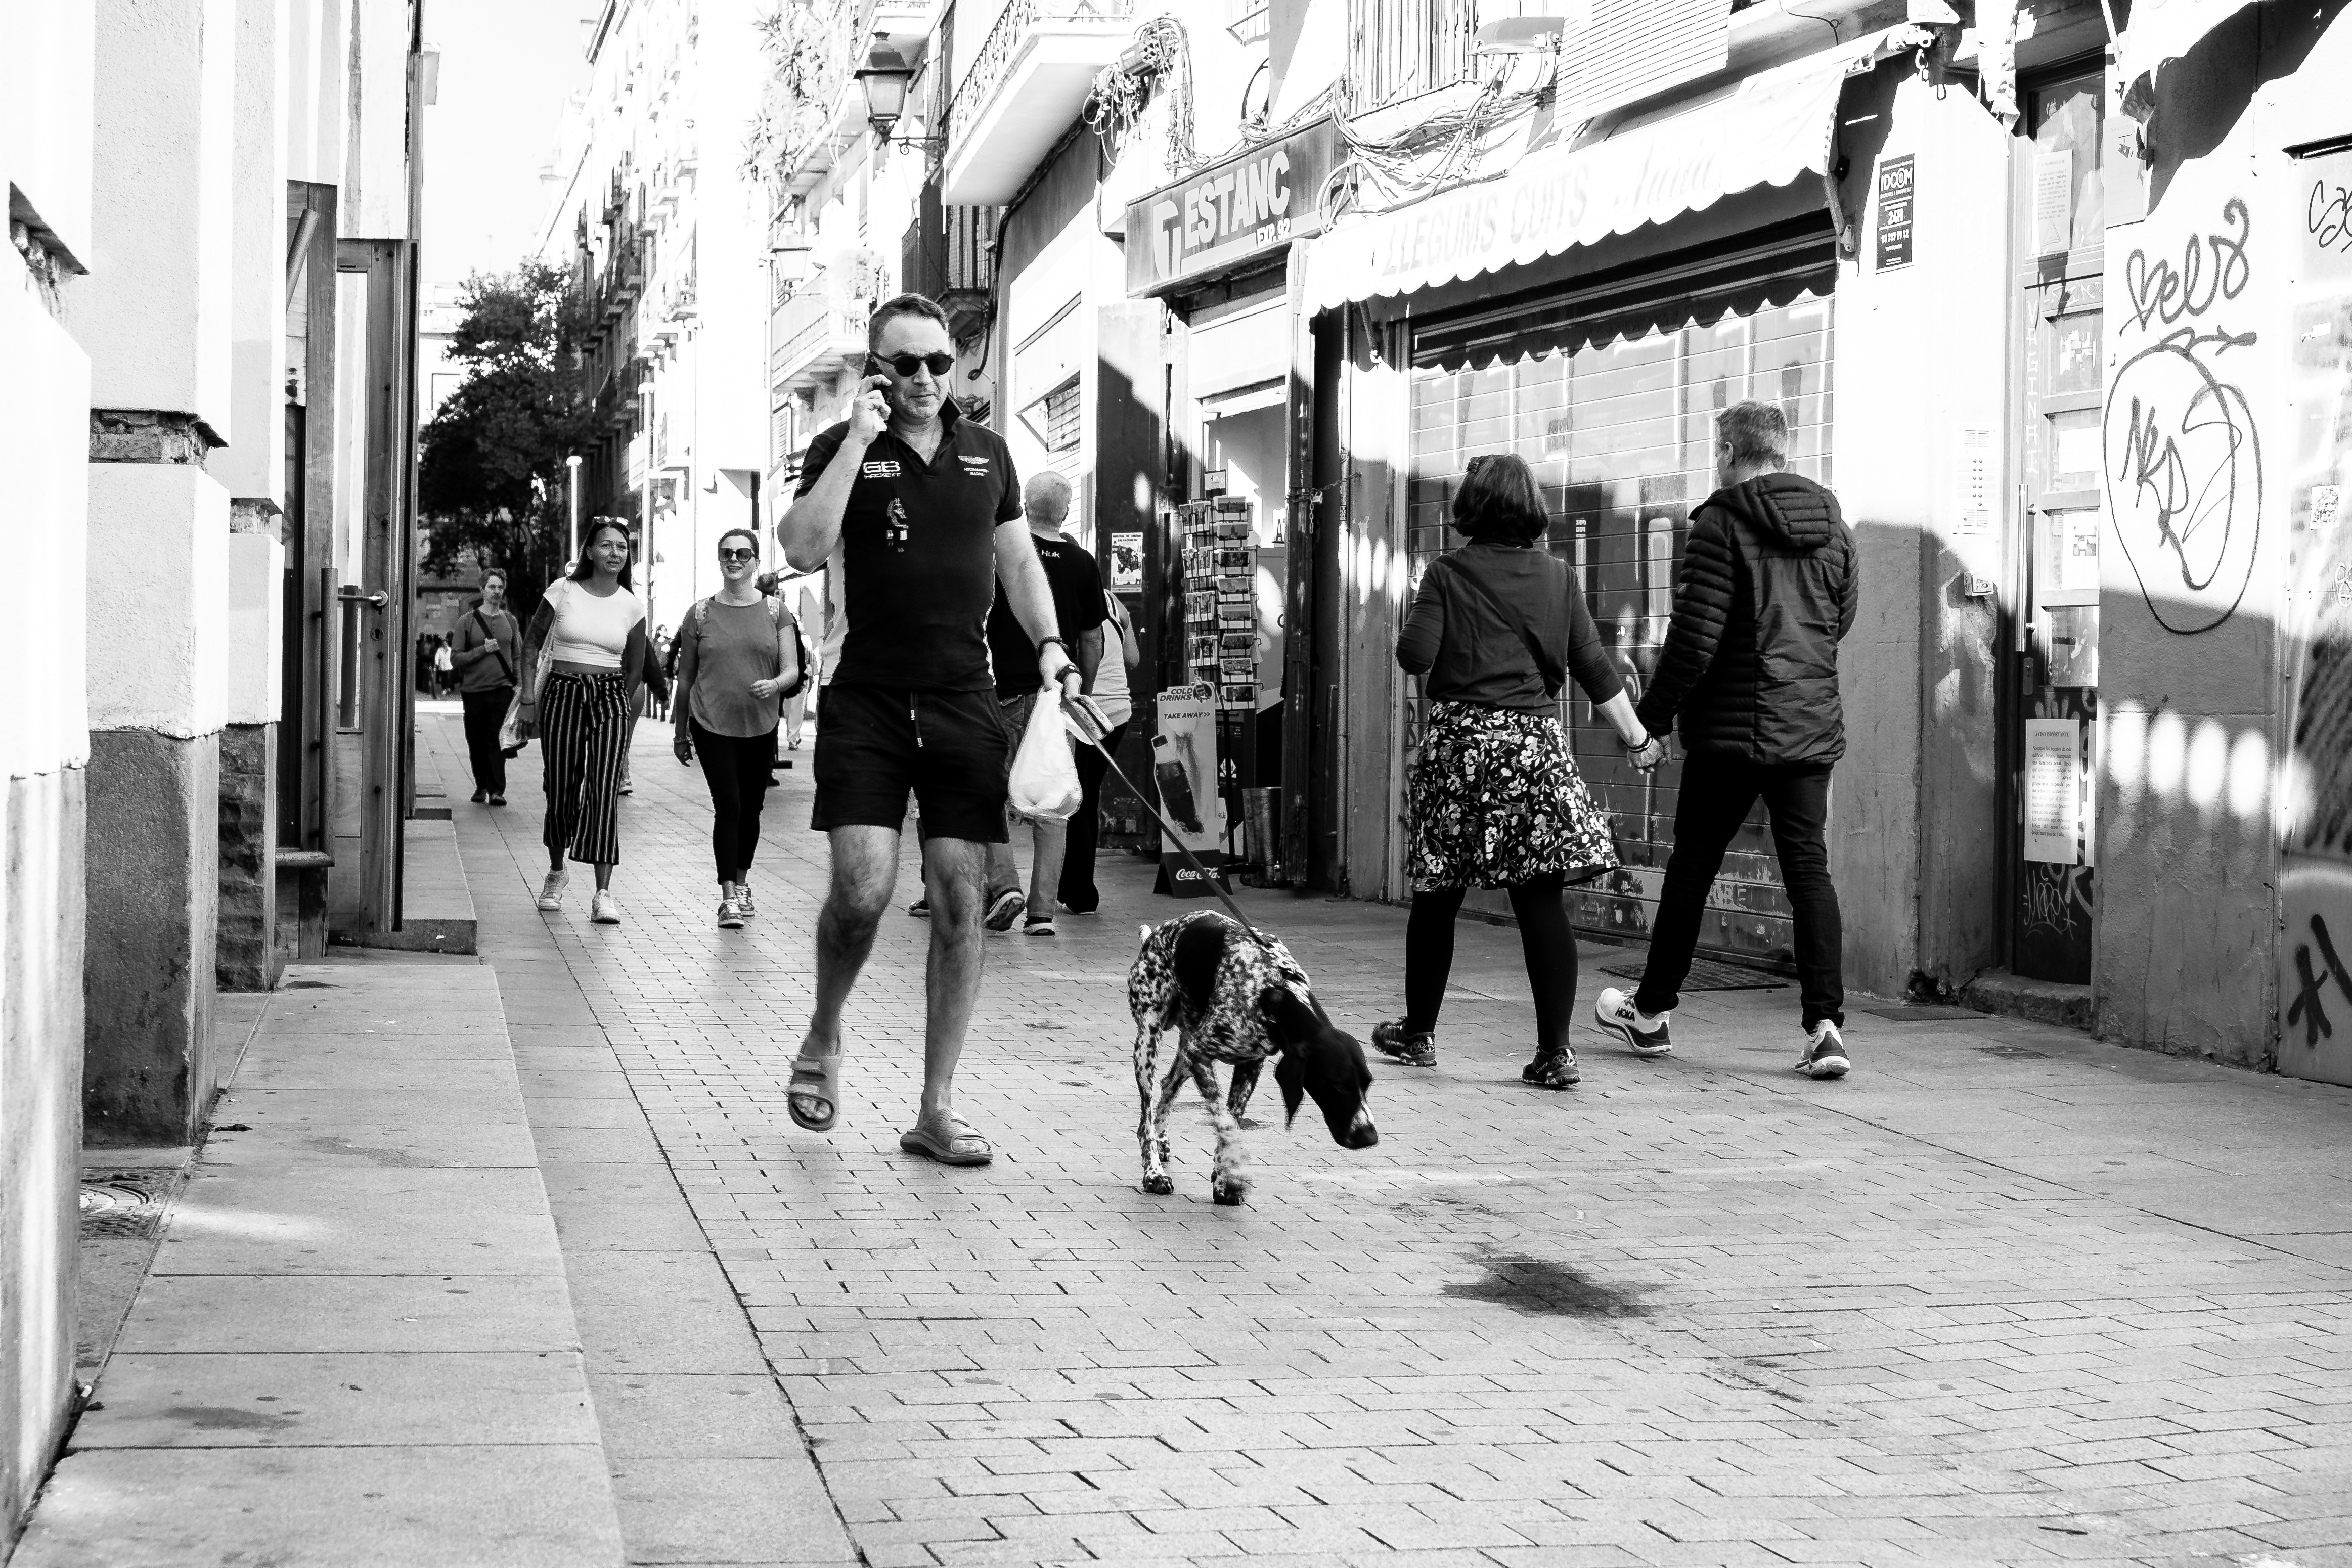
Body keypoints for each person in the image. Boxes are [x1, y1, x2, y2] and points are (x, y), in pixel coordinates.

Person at [776, 291, 1077, 1166]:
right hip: (866, 696)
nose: (922, 379)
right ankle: (825, 1032)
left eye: (936, 363)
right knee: (865, 892)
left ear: (956, 365)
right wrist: (859, 439)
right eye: (903, 364)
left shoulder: (989, 456)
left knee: (960, 902)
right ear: (877, 370)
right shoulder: (842, 447)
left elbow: (1017, 561)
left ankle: (935, 1108)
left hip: (963, 698)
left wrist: (1052, 646)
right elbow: (800, 547)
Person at [1377, 453, 1666, 1090]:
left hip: (1461, 750)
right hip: (1531, 748)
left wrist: (1429, 611)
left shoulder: (1447, 574)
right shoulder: (1560, 577)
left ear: (1471, 508)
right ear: (1530, 507)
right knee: (1539, 898)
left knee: (1437, 894)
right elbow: (1593, 666)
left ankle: (1419, 1035)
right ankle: (1555, 1052)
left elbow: (1414, 654)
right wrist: (1639, 737)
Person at [1594, 401, 1859, 1080]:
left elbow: (1693, 642)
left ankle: (1649, 1013)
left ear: (1728, 451)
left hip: (1727, 737)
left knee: (1691, 869)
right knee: (1807, 871)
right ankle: (1824, 1028)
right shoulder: (1833, 524)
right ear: (1781, 449)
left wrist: (1645, 721)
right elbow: (1839, 619)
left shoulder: (1720, 523)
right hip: (1806, 728)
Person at [969, 472, 1104, 937]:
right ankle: (1042, 914)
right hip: (1054, 698)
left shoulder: (1002, 554)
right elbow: (1091, 638)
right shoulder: (1084, 563)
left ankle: (1005, 886)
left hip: (997, 692)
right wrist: (1077, 687)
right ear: (1064, 511)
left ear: (1023, 505)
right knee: (1053, 801)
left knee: (986, 794)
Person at [519, 517, 667, 925]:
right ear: (589, 551)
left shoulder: (632, 605)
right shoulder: (563, 590)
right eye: (606, 545)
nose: (615, 553)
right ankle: (556, 872)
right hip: (563, 693)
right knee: (562, 788)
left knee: (604, 790)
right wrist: (530, 695)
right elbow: (531, 643)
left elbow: (635, 667)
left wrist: (619, 701)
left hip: (609, 697)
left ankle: (603, 893)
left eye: (622, 547)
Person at [672, 529, 805, 929]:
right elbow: (685, 677)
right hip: (711, 722)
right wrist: (681, 732)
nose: (734, 559)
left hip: (760, 724)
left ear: (755, 561)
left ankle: (743, 881)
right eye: (727, 552)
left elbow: (792, 669)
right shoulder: (699, 614)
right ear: (719, 559)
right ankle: (728, 896)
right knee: (728, 803)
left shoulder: (775, 612)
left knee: (752, 808)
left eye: (742, 553)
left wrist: (776, 685)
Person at [1058, 586, 1137, 916]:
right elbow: (1132, 658)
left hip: (1087, 711)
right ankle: (1074, 887)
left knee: (1080, 799)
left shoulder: (1064, 598)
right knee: (1086, 796)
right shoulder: (1111, 600)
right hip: (1118, 711)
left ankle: (1080, 893)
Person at [449, 569, 523, 805]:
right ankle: (481, 785)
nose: (496, 592)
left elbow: (518, 655)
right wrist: (483, 650)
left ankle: (496, 790)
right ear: (482, 590)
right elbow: (456, 658)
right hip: (473, 691)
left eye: (500, 587)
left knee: (495, 739)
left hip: (502, 689)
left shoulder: (510, 620)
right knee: (476, 740)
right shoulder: (467, 622)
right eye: (492, 587)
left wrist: (520, 684)